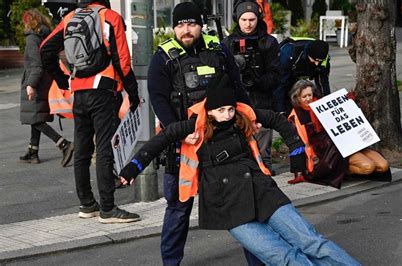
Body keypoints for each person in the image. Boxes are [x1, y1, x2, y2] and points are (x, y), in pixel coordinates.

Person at [119, 74, 360, 265]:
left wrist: (297, 150)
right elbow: (156, 143)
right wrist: (132, 169)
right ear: (209, 110)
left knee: (312, 242)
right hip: (227, 205)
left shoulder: (242, 117)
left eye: (230, 109)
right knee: (283, 257)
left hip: (262, 191)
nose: (227, 115)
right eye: (221, 110)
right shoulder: (194, 127)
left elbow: (278, 120)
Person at [147, 2, 253, 265]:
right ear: (174, 27)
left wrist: (251, 118)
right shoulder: (163, 57)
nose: (186, 29)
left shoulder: (218, 49)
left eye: (191, 23)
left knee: (241, 204)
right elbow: (158, 100)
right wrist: (178, 133)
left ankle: (259, 258)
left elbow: (237, 89)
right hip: (184, 146)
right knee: (179, 208)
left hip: (223, 143)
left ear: (200, 25)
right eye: (180, 24)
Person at [41, 0, 140, 223]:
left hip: (79, 92)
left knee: (83, 149)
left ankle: (87, 205)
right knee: (104, 149)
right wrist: (132, 95)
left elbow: (45, 49)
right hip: (103, 91)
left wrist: (63, 80)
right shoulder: (110, 17)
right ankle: (108, 208)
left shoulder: (70, 18)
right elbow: (122, 62)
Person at [287, 79, 391, 186]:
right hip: (329, 151)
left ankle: (342, 169)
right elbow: (296, 144)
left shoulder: (323, 104)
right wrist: (298, 172)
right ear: (297, 97)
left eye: (310, 95)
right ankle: (341, 171)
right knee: (368, 167)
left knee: (383, 166)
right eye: (304, 96)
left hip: (348, 142)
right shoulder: (296, 116)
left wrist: (349, 104)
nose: (308, 99)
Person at [223, 0, 280, 172]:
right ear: (237, 19)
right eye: (244, 20)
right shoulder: (227, 43)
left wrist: (257, 80)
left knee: (263, 154)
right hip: (236, 103)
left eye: (252, 20)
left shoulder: (269, 43)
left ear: (258, 19)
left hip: (262, 101)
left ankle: (265, 178)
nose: (248, 24)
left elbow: (275, 75)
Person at [19, 9, 74, 167]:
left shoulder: (31, 39)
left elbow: (36, 65)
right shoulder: (46, 35)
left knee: (35, 119)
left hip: (36, 81)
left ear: (28, 22)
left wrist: (31, 84)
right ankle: (33, 150)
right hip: (46, 81)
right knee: (36, 116)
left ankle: (64, 144)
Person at [275, 38, 331, 115]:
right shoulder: (289, 53)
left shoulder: (324, 59)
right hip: (288, 72)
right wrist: (280, 111)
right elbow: (280, 84)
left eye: (319, 61)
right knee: (286, 100)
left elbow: (323, 84)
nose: (316, 64)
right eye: (314, 60)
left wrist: (327, 105)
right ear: (308, 54)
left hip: (302, 73)